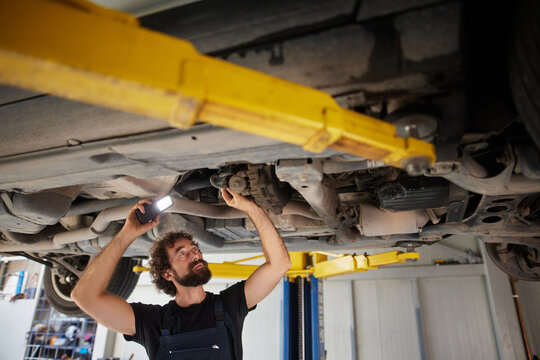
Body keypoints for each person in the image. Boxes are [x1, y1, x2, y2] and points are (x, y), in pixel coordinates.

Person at [72, 188, 291, 360]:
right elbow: (84, 297)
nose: (195, 255)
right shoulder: (152, 323)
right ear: (167, 274)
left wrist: (252, 209)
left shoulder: (229, 305)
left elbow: (279, 264)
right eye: (182, 253)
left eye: (195, 249)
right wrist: (127, 234)